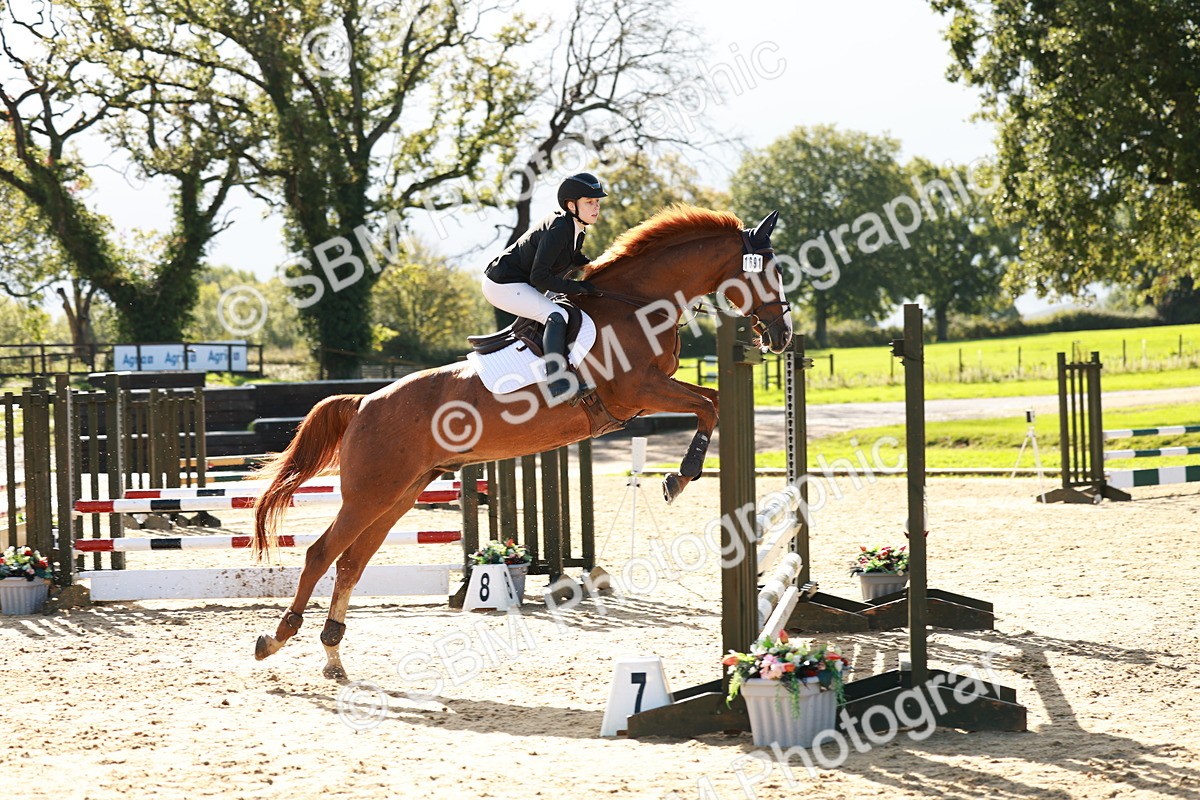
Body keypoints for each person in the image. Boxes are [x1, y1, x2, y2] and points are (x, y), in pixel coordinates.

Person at [482, 172, 606, 400]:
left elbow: (575, 258)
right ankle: (557, 383)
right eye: (589, 202)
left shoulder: (575, 226)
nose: (596, 207)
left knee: (566, 307)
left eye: (597, 202)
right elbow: (540, 277)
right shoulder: (559, 228)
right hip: (502, 283)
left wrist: (602, 267)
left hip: (521, 281)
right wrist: (579, 287)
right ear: (571, 205)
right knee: (556, 315)